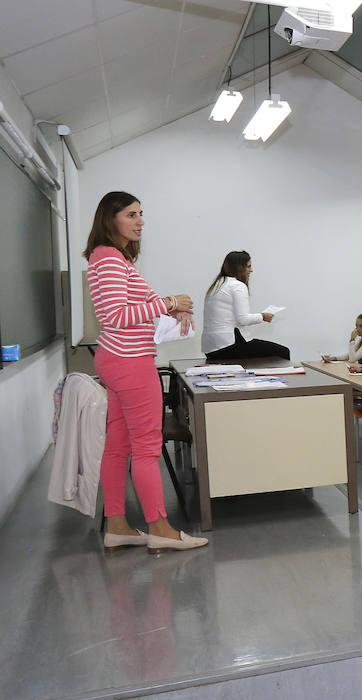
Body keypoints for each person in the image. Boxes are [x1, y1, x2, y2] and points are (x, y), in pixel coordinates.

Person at [84, 191, 206, 553]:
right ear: (111, 219)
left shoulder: (114, 259)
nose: (140, 221)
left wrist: (170, 310)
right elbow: (116, 316)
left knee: (119, 446)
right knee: (147, 448)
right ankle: (160, 528)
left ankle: (118, 526)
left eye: (141, 214)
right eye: (131, 214)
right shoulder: (107, 259)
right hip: (130, 363)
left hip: (119, 360)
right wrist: (169, 303)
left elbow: (132, 307)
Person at [201, 250, 290, 360]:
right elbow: (242, 320)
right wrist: (263, 316)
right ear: (239, 268)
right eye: (248, 267)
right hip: (229, 345)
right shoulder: (237, 286)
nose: (251, 270)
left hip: (211, 348)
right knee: (283, 352)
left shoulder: (217, 285)